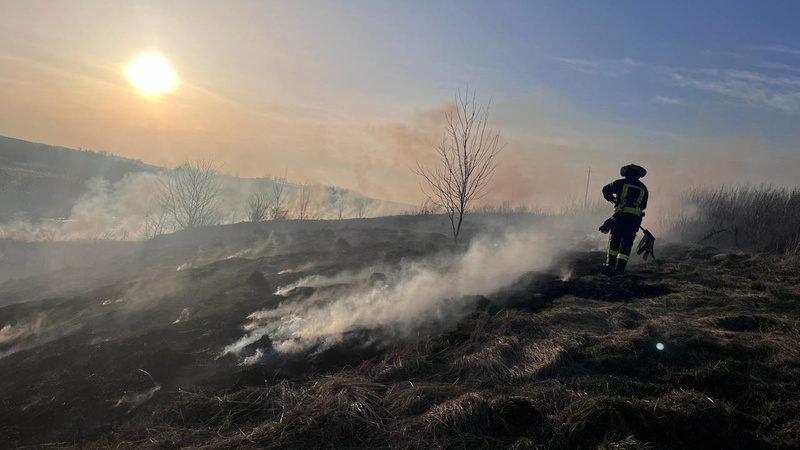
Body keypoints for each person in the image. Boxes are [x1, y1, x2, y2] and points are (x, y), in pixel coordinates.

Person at [600, 164, 649, 274]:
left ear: (626, 173)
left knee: (615, 240)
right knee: (627, 243)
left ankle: (610, 265)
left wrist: (611, 199)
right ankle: (620, 269)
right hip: (635, 220)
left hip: (620, 217)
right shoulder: (643, 188)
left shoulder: (620, 183)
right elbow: (644, 205)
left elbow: (606, 189)